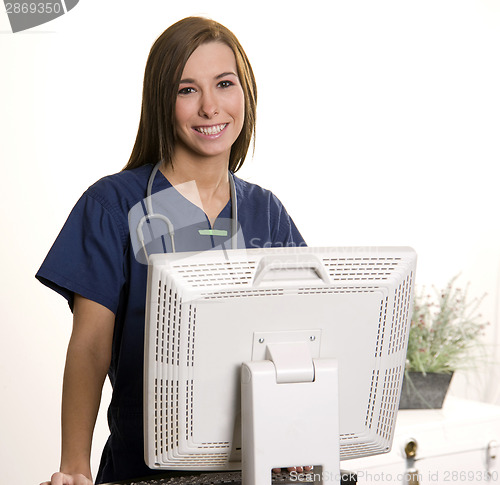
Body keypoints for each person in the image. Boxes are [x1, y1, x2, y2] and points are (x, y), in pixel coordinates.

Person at [37, 16, 305, 485]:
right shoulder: (113, 205)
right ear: (162, 101)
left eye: (224, 84)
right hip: (143, 471)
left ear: (246, 94)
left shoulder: (266, 212)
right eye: (187, 90)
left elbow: (300, 343)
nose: (210, 106)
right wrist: (73, 466)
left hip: (255, 468)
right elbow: (91, 348)